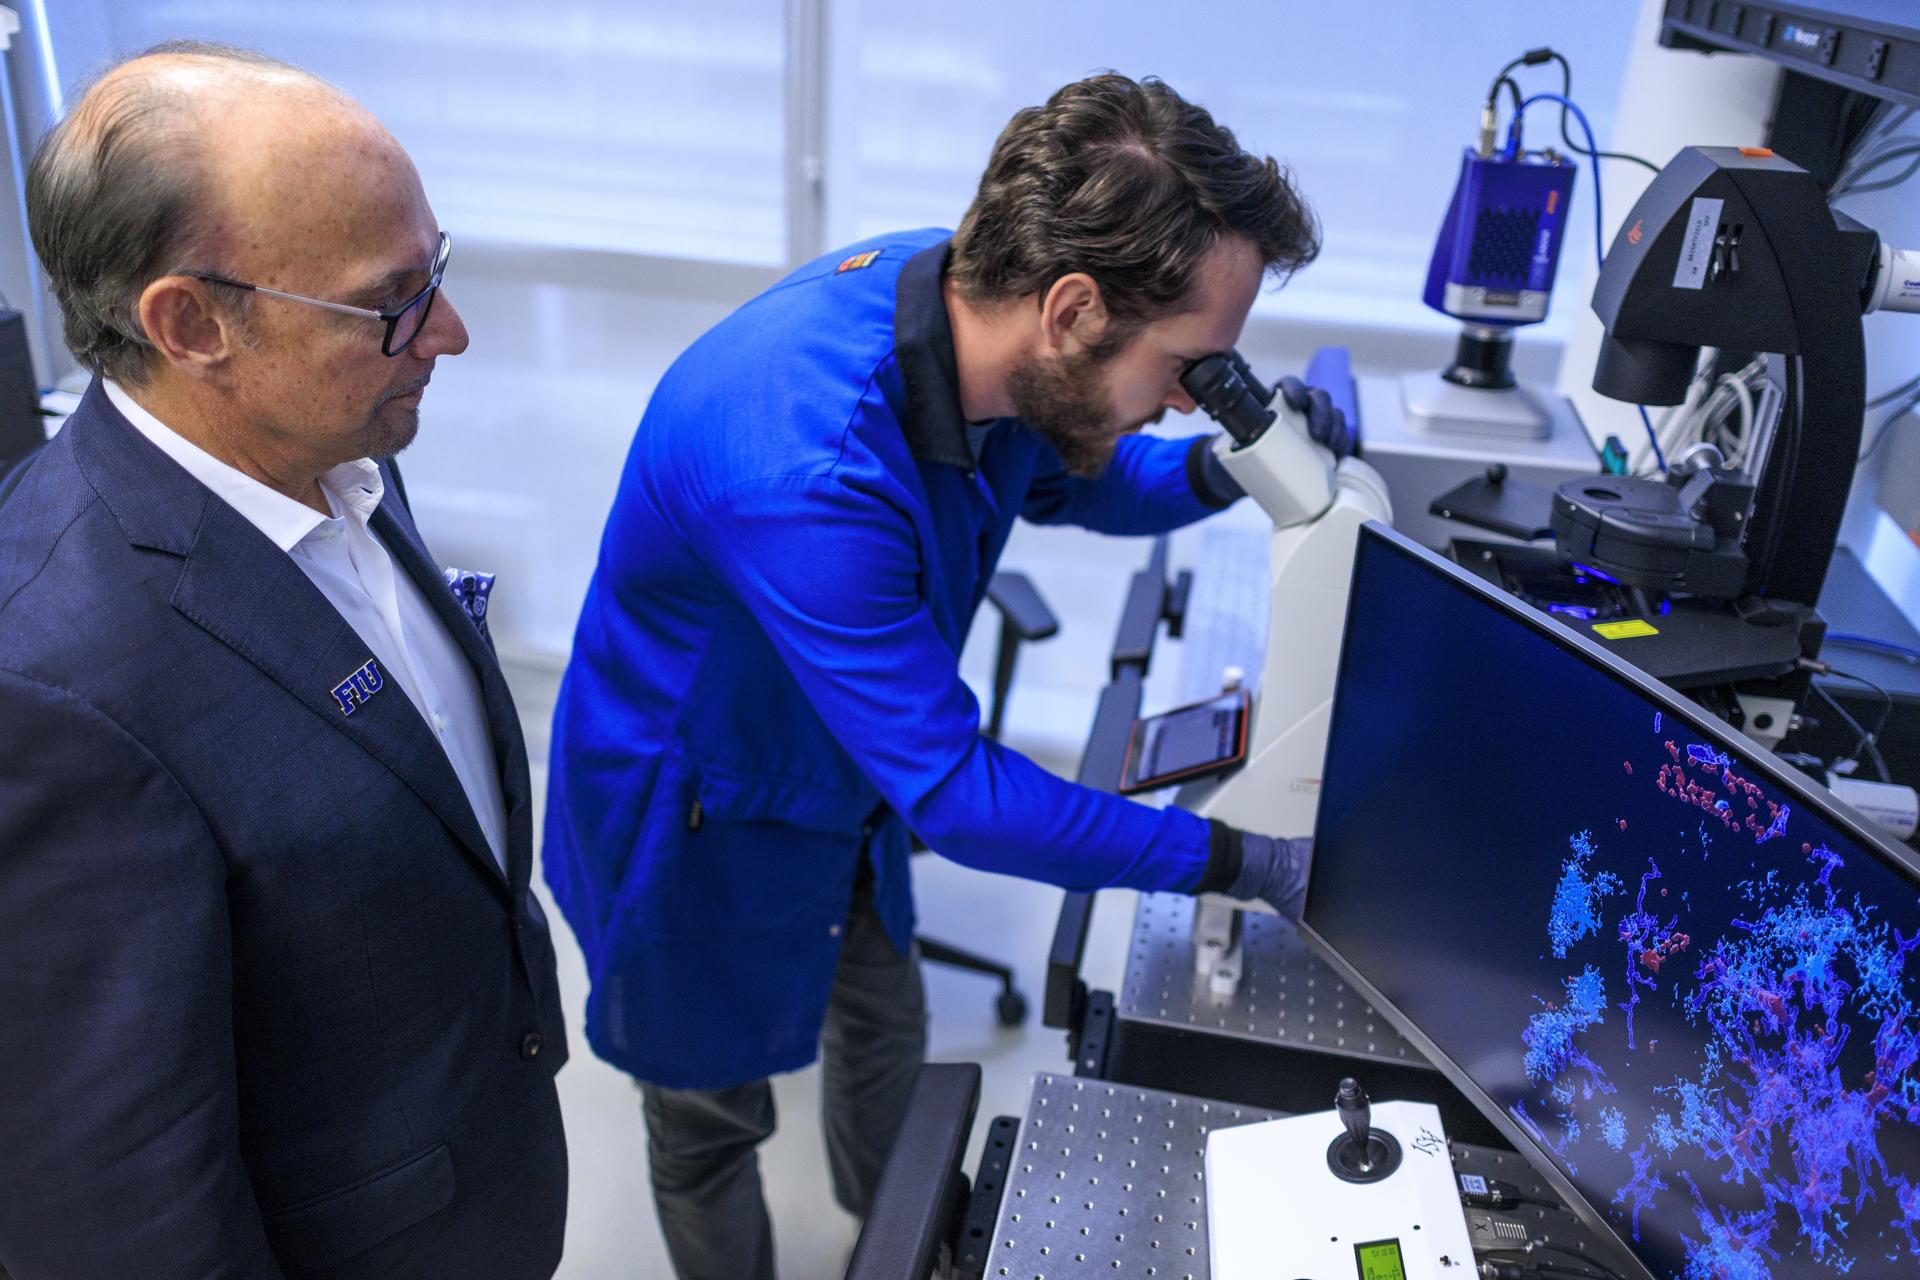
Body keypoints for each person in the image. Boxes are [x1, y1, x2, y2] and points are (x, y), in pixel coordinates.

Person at [544, 73, 1317, 1278]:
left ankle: (895, 1242)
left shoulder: (973, 310)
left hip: (849, 775)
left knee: (886, 1041)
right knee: (709, 1124)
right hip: (697, 818)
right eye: (1187, 365)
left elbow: (1075, 473)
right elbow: (957, 791)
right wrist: (1236, 861)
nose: (1185, 401)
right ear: (1073, 308)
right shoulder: (808, 468)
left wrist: (1220, 470)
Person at [0, 43, 567, 1278]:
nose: (449, 331)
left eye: (437, 271)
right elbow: (124, 1216)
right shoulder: (52, 689)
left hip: (474, 1159)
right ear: (191, 323)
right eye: (393, 300)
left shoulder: (334, 441)